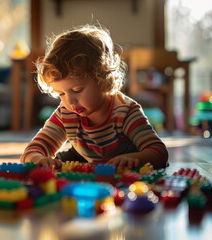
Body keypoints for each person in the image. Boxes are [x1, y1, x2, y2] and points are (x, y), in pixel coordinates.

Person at [20, 24, 168, 170]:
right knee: (60, 163)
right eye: (61, 94)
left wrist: (133, 159)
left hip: (127, 171)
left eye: (77, 90)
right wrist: (38, 158)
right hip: (86, 160)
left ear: (103, 81)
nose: (69, 101)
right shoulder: (66, 113)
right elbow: (33, 150)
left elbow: (159, 153)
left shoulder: (125, 111)